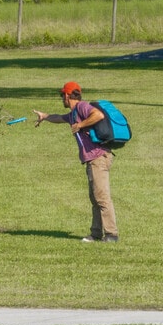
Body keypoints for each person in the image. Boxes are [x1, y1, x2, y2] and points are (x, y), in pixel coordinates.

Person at [33, 81, 119, 243]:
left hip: (98, 157)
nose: (62, 99)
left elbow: (98, 115)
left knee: (102, 197)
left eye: (62, 96)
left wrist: (80, 125)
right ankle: (95, 234)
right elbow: (60, 118)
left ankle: (111, 234)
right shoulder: (73, 113)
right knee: (95, 198)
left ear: (67, 95)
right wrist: (45, 117)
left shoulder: (82, 107)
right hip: (92, 159)